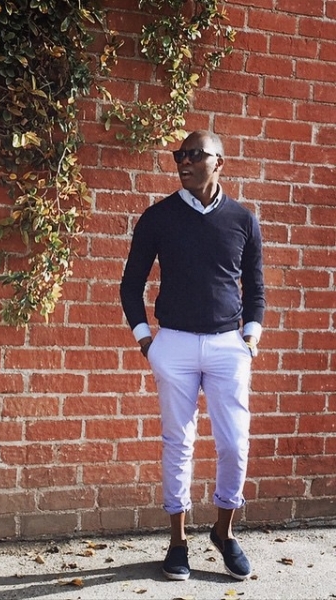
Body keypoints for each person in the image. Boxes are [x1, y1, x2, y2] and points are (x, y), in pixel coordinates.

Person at [120, 130, 265, 581]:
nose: (183, 161)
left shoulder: (242, 219)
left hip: (227, 346)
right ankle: (178, 541)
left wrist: (250, 338)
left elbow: (255, 287)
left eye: (194, 154)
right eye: (179, 155)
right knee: (178, 443)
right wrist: (147, 341)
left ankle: (224, 533)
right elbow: (130, 284)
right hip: (175, 345)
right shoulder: (158, 217)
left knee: (234, 444)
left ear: (219, 162)